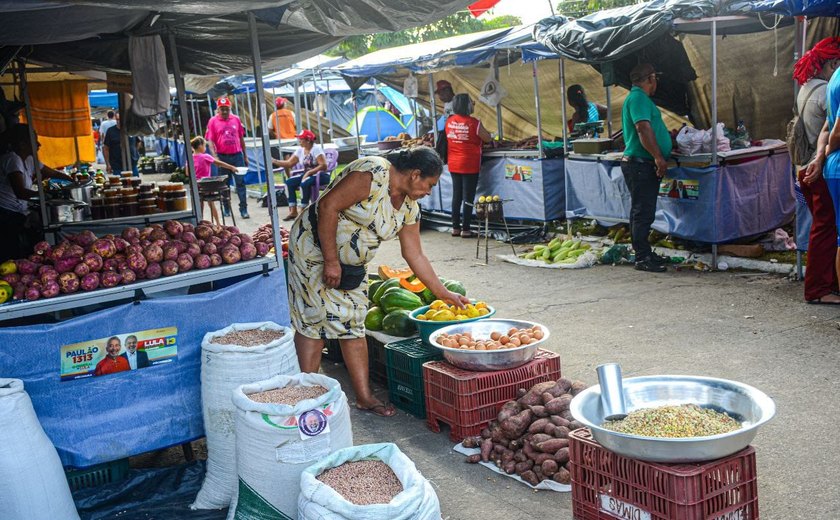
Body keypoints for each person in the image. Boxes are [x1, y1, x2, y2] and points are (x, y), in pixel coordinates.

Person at [287, 147, 468, 417]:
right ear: (415, 174)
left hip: (353, 264)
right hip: (313, 248)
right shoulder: (373, 172)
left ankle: (364, 397)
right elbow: (328, 206)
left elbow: (414, 254)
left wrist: (443, 293)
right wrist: (332, 260)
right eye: (429, 185)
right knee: (314, 321)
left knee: (354, 322)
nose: (429, 192)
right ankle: (304, 396)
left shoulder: (409, 208)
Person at [793, 38, 840, 305]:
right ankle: (819, 289)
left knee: (824, 229)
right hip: (819, 167)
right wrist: (823, 158)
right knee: (826, 230)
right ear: (831, 63)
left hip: (808, 166)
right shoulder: (826, 91)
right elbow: (832, 130)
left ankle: (825, 284)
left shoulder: (807, 87)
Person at [621, 63, 672, 273]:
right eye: (655, 79)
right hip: (641, 164)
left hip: (640, 163)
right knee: (643, 212)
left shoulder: (637, 98)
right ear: (650, 79)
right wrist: (658, 157)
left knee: (641, 211)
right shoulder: (639, 98)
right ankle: (642, 257)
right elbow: (642, 128)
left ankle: (644, 252)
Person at [0, 124, 72, 262]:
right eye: (34, 140)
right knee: (11, 255)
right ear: (22, 144)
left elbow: (49, 172)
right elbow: (20, 192)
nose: (39, 144)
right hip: (6, 215)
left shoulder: (29, 159)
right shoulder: (12, 159)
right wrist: (45, 197)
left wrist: (72, 181)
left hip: (18, 213)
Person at [808, 66, 840, 300]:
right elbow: (835, 133)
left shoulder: (835, 77)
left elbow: (827, 128)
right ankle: (819, 290)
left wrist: (821, 156)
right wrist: (826, 153)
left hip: (830, 166)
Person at [445, 94, 493, 238]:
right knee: (468, 197)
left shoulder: (449, 121)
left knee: (457, 196)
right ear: (467, 105)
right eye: (471, 102)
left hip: (454, 163)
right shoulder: (474, 123)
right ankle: (466, 229)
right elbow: (488, 138)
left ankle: (455, 228)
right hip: (469, 164)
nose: (474, 103)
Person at [205, 97, 250, 219]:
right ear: (218, 109)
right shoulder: (213, 121)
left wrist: (245, 155)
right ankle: (226, 208)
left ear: (230, 109)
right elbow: (210, 140)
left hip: (237, 156)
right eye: (222, 109)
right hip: (222, 157)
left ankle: (243, 209)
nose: (225, 112)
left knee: (241, 183)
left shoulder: (236, 119)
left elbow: (241, 138)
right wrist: (214, 156)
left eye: (227, 109)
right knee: (225, 184)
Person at [272, 129, 328, 221]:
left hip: (320, 175)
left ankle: (303, 211)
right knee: (289, 183)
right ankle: (293, 211)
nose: (299, 141)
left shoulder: (316, 149)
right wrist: (275, 161)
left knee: (304, 183)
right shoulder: (300, 150)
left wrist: (309, 172)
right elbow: (289, 163)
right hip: (307, 174)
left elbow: (324, 165)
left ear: (308, 140)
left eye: (301, 139)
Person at [191, 136, 238, 226]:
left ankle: (199, 224)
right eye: (205, 146)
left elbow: (187, 173)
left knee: (200, 205)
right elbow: (218, 163)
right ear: (200, 146)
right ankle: (218, 223)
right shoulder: (205, 156)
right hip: (207, 186)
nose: (205, 148)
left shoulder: (190, 158)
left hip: (196, 186)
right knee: (211, 204)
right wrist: (231, 167)